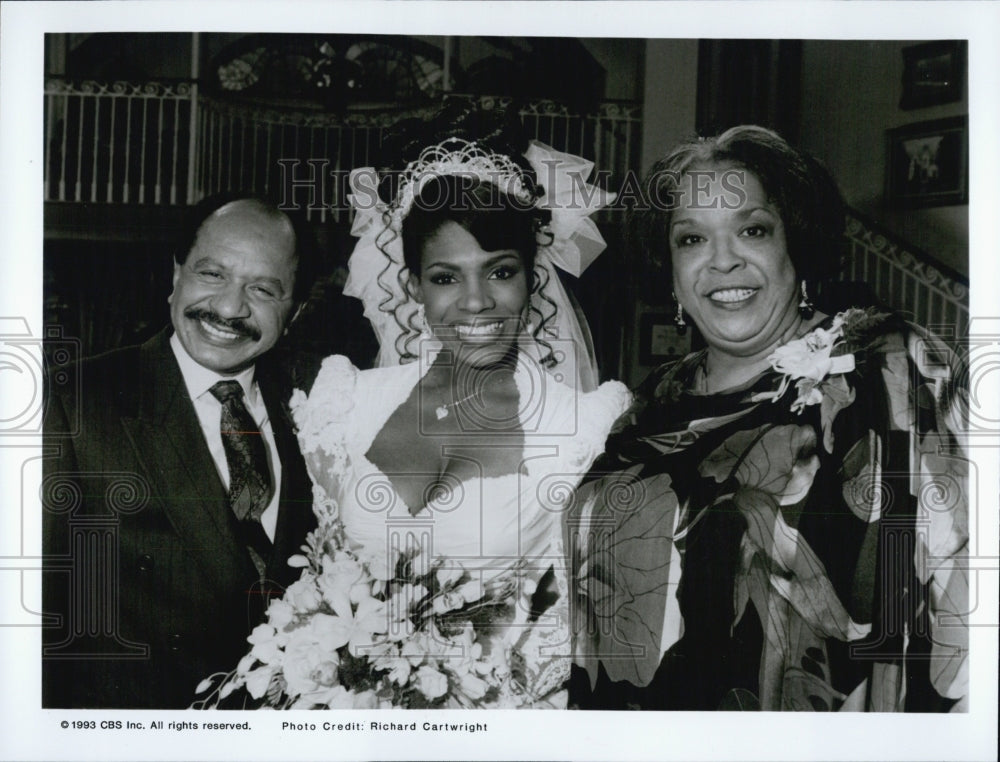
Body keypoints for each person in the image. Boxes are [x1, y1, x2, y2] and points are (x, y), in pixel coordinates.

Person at [572, 125, 968, 712]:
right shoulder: (646, 407)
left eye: (752, 230)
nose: (723, 260)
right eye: (691, 239)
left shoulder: (889, 370)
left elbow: (966, 593)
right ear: (672, 272)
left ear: (795, 247)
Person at [285, 127, 630, 707]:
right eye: (446, 277)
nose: (475, 301)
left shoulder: (583, 426)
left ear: (531, 277)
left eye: (499, 271)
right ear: (414, 286)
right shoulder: (344, 403)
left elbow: (571, 627)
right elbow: (318, 573)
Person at [42, 194, 319, 708]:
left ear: (295, 309)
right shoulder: (70, 402)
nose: (230, 308)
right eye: (211, 274)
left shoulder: (318, 410)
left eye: (262, 289)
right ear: (176, 274)